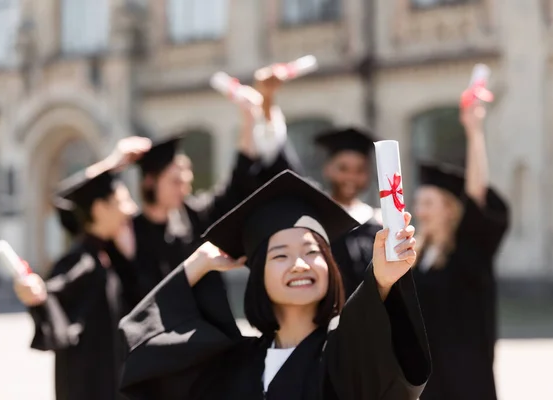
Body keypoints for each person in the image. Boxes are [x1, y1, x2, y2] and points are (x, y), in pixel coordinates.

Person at [118, 170, 430, 400]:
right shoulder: (234, 364)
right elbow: (144, 348)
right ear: (258, 276)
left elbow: (367, 341)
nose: (299, 264)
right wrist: (196, 264)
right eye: (280, 255)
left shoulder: (340, 353)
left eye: (311, 252)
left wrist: (381, 280)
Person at [129, 70, 302, 295]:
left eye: (186, 179)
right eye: (175, 181)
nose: (185, 188)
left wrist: (249, 118)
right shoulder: (130, 232)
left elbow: (238, 182)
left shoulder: (194, 217)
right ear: (150, 182)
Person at [13, 138, 151, 400]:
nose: (131, 209)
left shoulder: (108, 255)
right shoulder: (80, 260)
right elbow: (52, 294)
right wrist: (37, 294)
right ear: (100, 209)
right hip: (88, 388)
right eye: (123, 201)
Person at [412, 104, 510, 400]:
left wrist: (474, 130)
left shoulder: (470, 252)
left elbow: (476, 194)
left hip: (465, 380)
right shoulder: (418, 257)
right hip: (428, 381)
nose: (420, 211)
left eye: (429, 203)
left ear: (450, 210)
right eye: (418, 203)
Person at [314, 127, 383, 298]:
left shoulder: (376, 223)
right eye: (343, 169)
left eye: (359, 170)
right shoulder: (316, 218)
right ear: (327, 169)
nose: (351, 177)